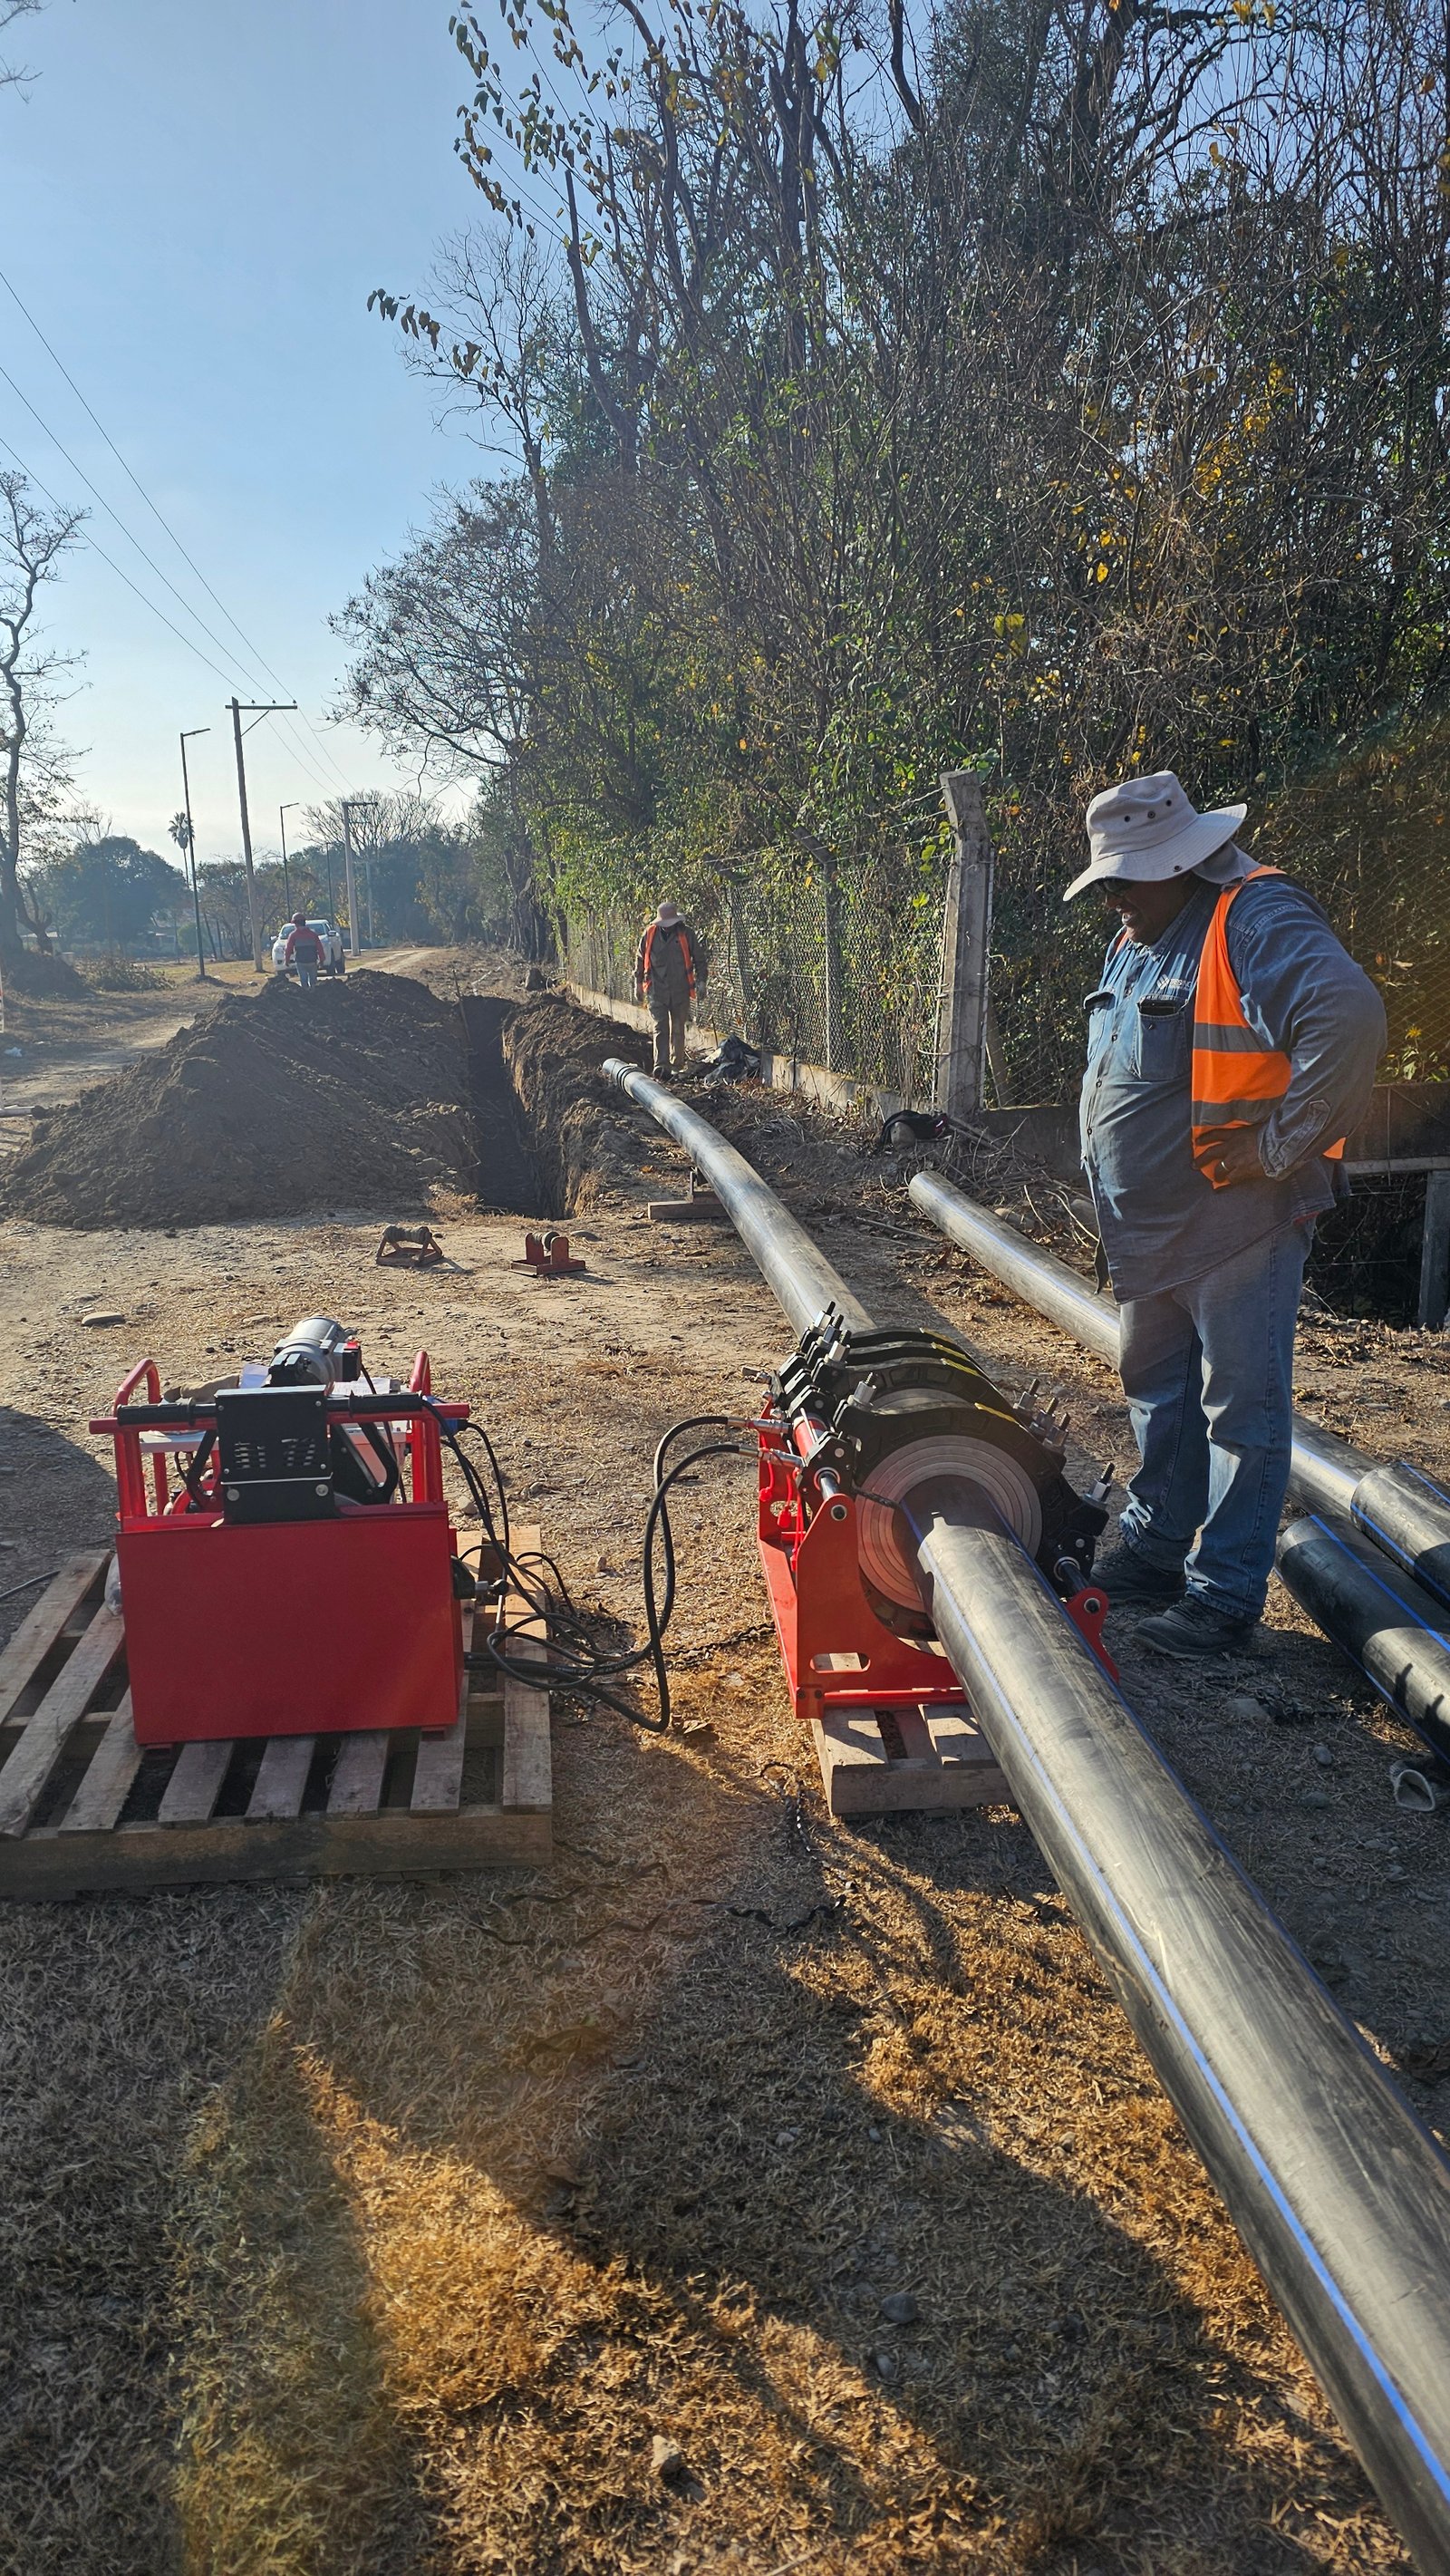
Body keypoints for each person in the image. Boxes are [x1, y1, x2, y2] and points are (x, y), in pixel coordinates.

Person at [1068, 771, 1386, 1660]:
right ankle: (1156, 1549)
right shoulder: (1138, 934)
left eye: (1127, 878)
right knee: (1158, 1396)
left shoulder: (1252, 917)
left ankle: (1223, 1594)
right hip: (1151, 1231)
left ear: (1181, 862)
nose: (1115, 896)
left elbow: (1349, 1016)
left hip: (1235, 1223)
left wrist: (1280, 1147)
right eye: (1109, 880)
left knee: (1240, 1410)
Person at [633, 898, 700, 1079]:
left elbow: (700, 959)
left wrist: (701, 982)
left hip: (680, 990)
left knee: (678, 1028)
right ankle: (661, 1065)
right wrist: (638, 984)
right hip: (657, 990)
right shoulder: (649, 935)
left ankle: (677, 1065)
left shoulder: (686, 935)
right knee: (660, 1027)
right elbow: (640, 959)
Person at [284, 912, 324, 990]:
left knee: (303, 981)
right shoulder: (313, 934)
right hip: (312, 961)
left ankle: (306, 994)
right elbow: (320, 948)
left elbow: (288, 948)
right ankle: (314, 993)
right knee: (313, 982)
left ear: (296, 924)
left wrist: (287, 960)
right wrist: (321, 960)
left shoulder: (293, 935)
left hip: (300, 962)